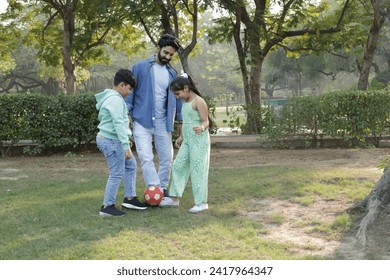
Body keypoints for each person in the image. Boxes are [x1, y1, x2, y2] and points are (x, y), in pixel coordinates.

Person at [125, 34, 183, 197]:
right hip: (141, 121)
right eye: (166, 53)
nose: (168, 57)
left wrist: (180, 120)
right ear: (158, 48)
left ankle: (162, 189)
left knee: (167, 158)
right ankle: (154, 189)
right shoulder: (140, 67)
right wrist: (126, 116)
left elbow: (177, 97)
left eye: (171, 55)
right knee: (146, 157)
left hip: (163, 122)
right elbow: (130, 93)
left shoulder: (172, 73)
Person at [96, 69, 148, 217]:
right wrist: (125, 147)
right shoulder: (116, 100)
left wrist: (126, 140)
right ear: (122, 85)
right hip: (111, 141)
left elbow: (120, 124)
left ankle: (129, 198)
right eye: (130, 88)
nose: (130, 92)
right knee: (117, 173)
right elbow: (118, 124)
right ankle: (107, 207)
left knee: (130, 165)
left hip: (113, 140)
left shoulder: (112, 98)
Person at [159, 74, 213, 213]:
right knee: (178, 165)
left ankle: (201, 203)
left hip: (199, 141)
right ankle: (174, 198)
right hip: (188, 141)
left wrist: (201, 128)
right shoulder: (185, 103)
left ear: (186, 88)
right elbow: (187, 121)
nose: (178, 97)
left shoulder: (199, 101)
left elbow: (205, 121)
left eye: (178, 93)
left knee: (198, 170)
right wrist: (181, 136)